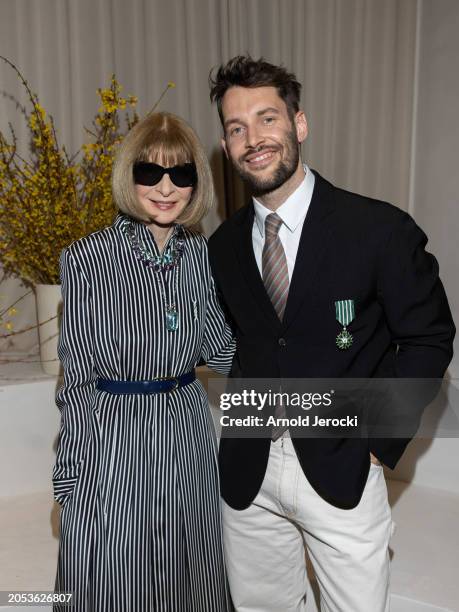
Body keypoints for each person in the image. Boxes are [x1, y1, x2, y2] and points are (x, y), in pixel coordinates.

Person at [208, 56, 455, 612]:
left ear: (299, 124)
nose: (253, 139)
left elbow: (429, 337)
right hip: (249, 472)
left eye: (267, 119)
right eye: (236, 128)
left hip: (343, 464)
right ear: (226, 147)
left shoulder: (379, 229)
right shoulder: (222, 246)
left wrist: (377, 439)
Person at [52, 111, 235, 611]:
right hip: (114, 433)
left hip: (185, 425)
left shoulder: (198, 254)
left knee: (190, 561)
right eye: (150, 172)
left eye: (181, 174)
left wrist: (293, 350)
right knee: (108, 563)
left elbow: (218, 346)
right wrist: (70, 469)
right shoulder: (87, 258)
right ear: (128, 177)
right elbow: (78, 373)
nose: (166, 187)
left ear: (196, 182)